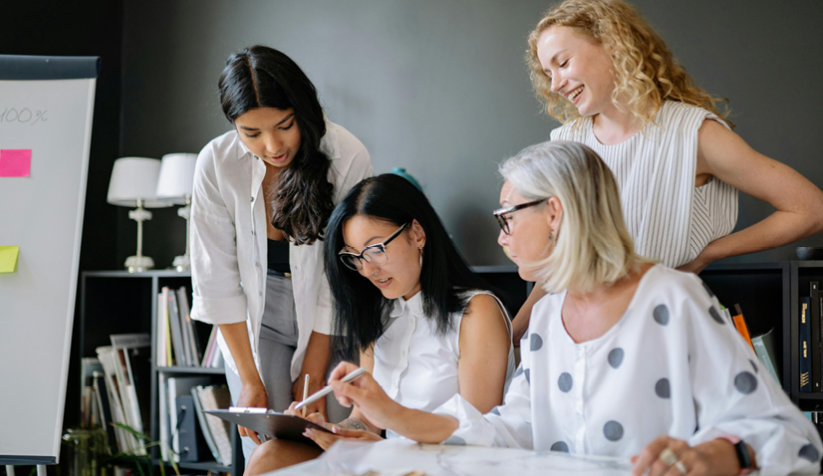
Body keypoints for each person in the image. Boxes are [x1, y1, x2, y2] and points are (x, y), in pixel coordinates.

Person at [325, 142, 822, 475]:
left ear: (555, 213)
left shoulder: (672, 298)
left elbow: (789, 435)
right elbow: (508, 429)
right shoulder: (546, 319)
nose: (501, 238)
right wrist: (388, 412)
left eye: (506, 219)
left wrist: (715, 455)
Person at [511, 0, 823, 345]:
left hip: (657, 337)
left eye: (563, 63)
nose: (555, 84)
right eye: (548, 73)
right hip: (572, 340)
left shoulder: (694, 135)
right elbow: (560, 262)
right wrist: (513, 333)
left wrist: (708, 253)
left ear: (613, 43)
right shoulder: (564, 145)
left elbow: (811, 209)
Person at [242, 174, 515, 475]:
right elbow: (364, 420)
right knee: (270, 455)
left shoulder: (476, 311)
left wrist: (384, 446)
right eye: (356, 257)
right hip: (389, 460)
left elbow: (477, 433)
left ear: (417, 234)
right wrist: (330, 431)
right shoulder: (378, 313)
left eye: (376, 250)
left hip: (447, 465)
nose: (367, 269)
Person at [188, 45, 374, 461]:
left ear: (302, 110)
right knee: (267, 444)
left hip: (334, 317)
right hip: (259, 320)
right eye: (251, 133)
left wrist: (313, 370)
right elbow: (216, 280)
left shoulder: (347, 154)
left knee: (332, 445)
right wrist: (248, 379)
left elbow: (340, 274)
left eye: (284, 126)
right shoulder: (216, 164)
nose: (272, 145)